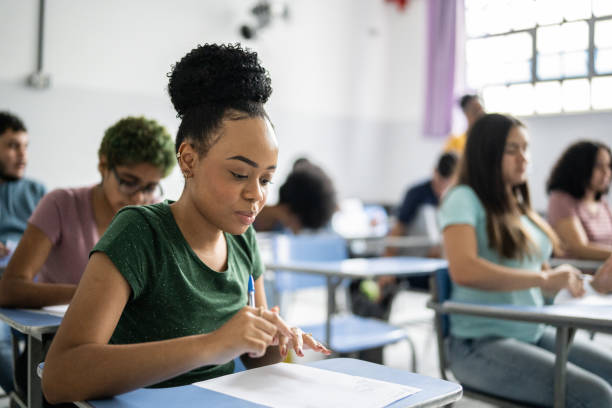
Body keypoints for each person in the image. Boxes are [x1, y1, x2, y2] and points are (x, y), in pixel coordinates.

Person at [42, 43, 330, 404]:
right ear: (189, 160)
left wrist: (273, 339)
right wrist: (213, 345)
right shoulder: (139, 233)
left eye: (266, 179)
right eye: (240, 173)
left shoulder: (243, 240)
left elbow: (255, 360)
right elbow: (60, 376)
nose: (256, 195)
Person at [439, 113, 612, 406]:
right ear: (487, 153)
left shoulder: (518, 205)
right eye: (512, 149)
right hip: (480, 344)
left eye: (526, 148)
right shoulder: (463, 198)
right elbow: (464, 270)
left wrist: (591, 285)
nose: (524, 158)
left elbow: (538, 279)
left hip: (531, 330)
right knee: (595, 396)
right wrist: (544, 279)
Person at [0, 116, 176, 309]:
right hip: (57, 330)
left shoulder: (154, 214)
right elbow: (9, 290)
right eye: (128, 182)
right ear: (103, 166)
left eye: (150, 187)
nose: (139, 198)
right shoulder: (60, 204)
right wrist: (97, 293)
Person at [0, 111, 46, 395]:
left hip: (33, 289)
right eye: (13, 145)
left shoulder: (39, 192)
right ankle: (24, 398)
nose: (23, 155)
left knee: (48, 342)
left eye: (25, 146)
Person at [385, 151, 458, 260]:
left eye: (447, 184)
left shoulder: (456, 196)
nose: (442, 189)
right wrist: (388, 259)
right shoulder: (417, 193)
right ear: (434, 172)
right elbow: (399, 226)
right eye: (440, 182)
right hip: (412, 255)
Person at [546, 141, 612, 261]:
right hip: (584, 273)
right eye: (598, 166)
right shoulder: (561, 199)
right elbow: (579, 248)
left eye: (608, 165)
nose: (606, 172)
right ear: (581, 167)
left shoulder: (601, 202)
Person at [254, 159, 337, 234]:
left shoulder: (280, 230)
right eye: (301, 227)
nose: (297, 233)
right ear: (288, 212)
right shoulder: (245, 229)